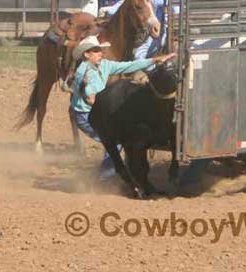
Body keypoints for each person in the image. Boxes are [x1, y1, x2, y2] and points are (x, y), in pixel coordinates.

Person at [70, 35, 176, 180]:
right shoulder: (85, 73)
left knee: (119, 138)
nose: (100, 53)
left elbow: (128, 66)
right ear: (86, 54)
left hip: (98, 111)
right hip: (86, 115)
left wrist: (155, 59)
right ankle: (106, 179)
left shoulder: (104, 65)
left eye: (100, 50)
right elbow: (91, 99)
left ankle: (123, 172)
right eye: (95, 51)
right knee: (114, 140)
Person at [102, 0, 167, 60]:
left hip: (153, 30)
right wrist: (107, 10)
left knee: (138, 56)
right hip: (138, 29)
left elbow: (172, 10)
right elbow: (123, 4)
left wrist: (163, 27)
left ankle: (152, 70)